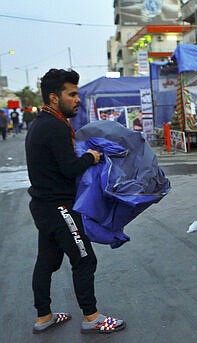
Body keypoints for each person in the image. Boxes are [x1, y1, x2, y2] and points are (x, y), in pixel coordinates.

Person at [26, 68, 125, 334]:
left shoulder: (40, 123)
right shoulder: (55, 126)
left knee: (46, 261)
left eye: (77, 93)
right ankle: (91, 317)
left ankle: (43, 316)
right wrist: (91, 157)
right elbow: (69, 168)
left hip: (43, 206)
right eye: (72, 94)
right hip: (58, 207)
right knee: (84, 259)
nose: (77, 99)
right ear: (54, 97)